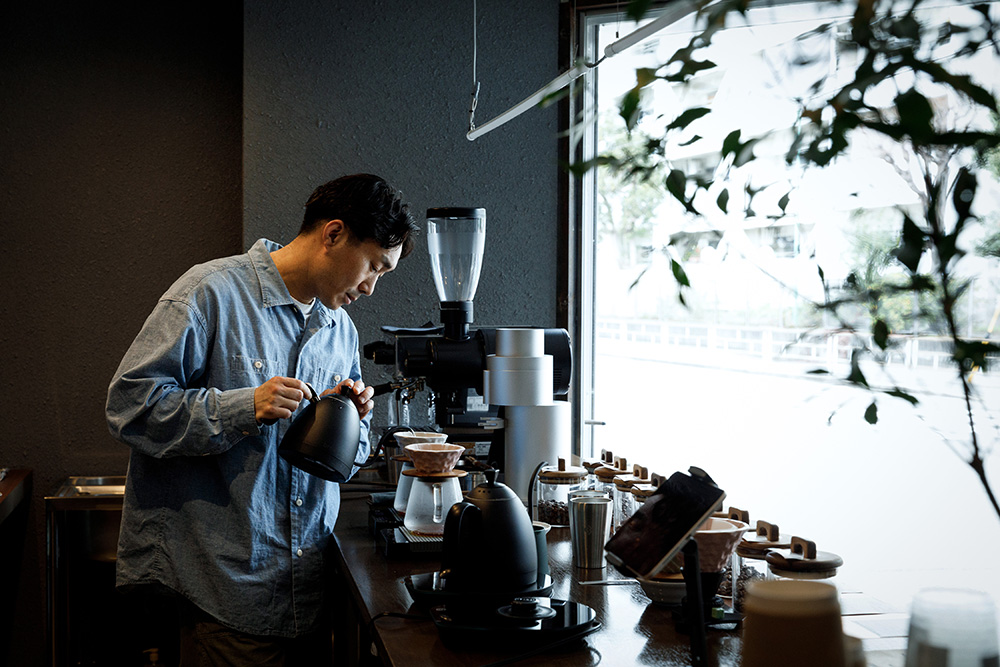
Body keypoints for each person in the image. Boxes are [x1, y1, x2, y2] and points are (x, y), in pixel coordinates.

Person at [106, 173, 418, 665]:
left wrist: (353, 422)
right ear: (332, 234)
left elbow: (345, 464)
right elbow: (129, 408)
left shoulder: (341, 332)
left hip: (312, 598)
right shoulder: (209, 293)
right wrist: (242, 407)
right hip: (226, 600)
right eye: (374, 267)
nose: (372, 287)